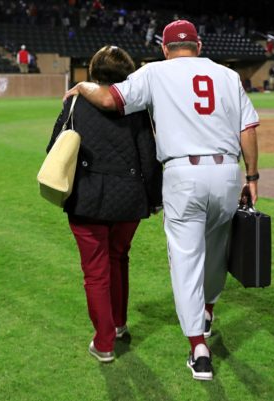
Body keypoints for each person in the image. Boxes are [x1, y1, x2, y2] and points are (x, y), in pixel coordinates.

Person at [63, 19, 259, 380]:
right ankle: (208, 312)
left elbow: (109, 98)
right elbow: (247, 127)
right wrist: (252, 176)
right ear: (198, 45)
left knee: (186, 261)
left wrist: (81, 85)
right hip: (227, 171)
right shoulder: (228, 76)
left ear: (165, 49)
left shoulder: (155, 71)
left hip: (185, 173)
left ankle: (198, 348)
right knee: (218, 251)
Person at [46, 45, 162, 363]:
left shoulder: (75, 101)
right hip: (129, 199)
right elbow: (148, 157)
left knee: (96, 271)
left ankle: (105, 341)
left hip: (86, 198)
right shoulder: (136, 106)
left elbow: (54, 146)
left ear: (93, 72)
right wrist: (154, 199)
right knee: (118, 259)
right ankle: (120, 324)